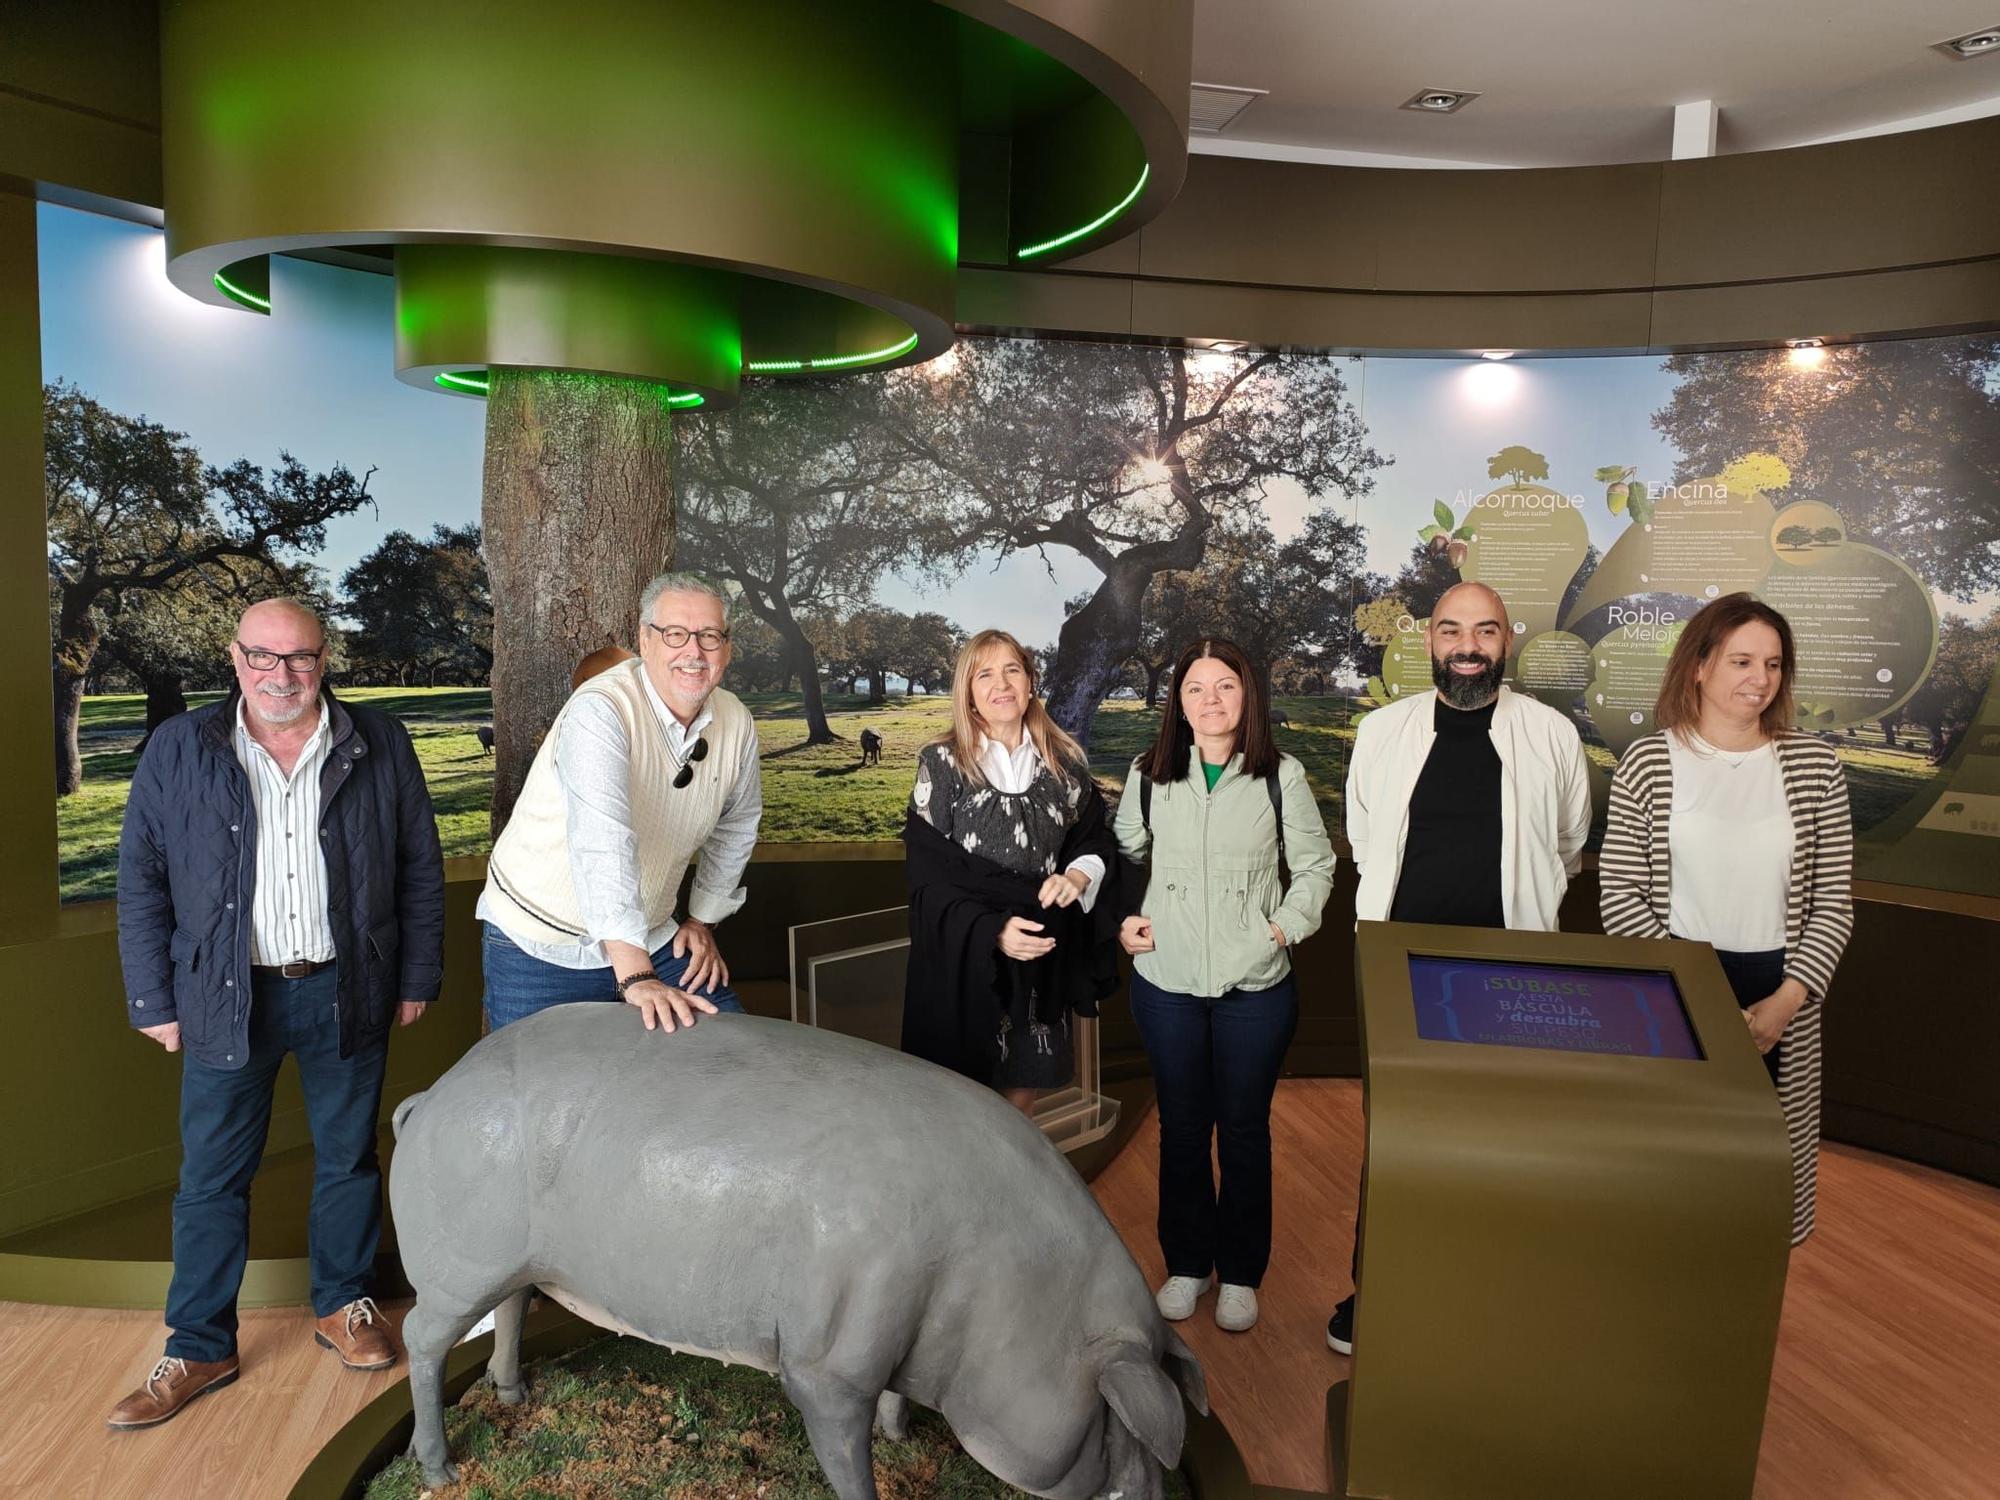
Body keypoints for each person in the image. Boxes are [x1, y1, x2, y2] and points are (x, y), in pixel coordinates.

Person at [108, 598, 444, 1429]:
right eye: (263, 657)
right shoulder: (180, 748)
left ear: (324, 660)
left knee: (347, 1158)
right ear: (234, 658)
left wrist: (417, 975)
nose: (281, 676)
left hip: (347, 984)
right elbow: (141, 878)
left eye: (298, 658)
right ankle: (198, 1342)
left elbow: (419, 868)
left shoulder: (379, 742)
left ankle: (344, 1305)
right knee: (213, 1178)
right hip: (226, 994)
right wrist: (152, 997)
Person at [1327, 580, 1592, 1354]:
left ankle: (1489, 1292)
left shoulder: (1551, 735)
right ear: (1428, 641)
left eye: (1484, 631)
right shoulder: (1383, 732)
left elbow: (1569, 843)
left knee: (1506, 1141)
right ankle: (1373, 1293)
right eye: (1451, 631)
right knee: (1399, 1141)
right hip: (1401, 973)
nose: (1467, 646)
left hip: (1512, 977)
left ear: (1507, 640)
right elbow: (1367, 841)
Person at [1601, 592, 1852, 1245]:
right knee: (1673, 1177)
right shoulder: (1649, 763)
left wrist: (1787, 1001)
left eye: (1772, 664)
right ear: (1699, 667)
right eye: (1742, 661)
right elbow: (1621, 897)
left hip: (1780, 1000)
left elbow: (1832, 903)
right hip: (1676, 989)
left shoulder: (1816, 766)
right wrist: (1699, 995)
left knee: (1762, 1190)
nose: (1759, 679)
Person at [1114, 639, 1336, 1334]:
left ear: (1248, 697)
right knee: (1181, 1130)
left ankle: (1240, 1273)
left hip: (1256, 990)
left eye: (1225, 687)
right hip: (1167, 983)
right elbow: (1121, 856)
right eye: (1195, 689)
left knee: (1242, 1132)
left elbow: (1317, 867)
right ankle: (1187, 1264)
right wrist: (1125, 920)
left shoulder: (1282, 776)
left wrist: (1278, 931)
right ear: (1177, 702)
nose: (1210, 701)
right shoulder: (1149, 774)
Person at [477, 573, 761, 1033]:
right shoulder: (600, 708)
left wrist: (702, 918)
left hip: (651, 933)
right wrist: (636, 975)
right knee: (548, 1095)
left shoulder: (735, 719)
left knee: (728, 1055)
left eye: (709, 636)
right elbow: (602, 840)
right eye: (674, 634)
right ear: (645, 641)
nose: (694, 651)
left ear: (726, 648)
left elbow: (738, 823)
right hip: (542, 943)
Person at [900, 630, 1121, 1113]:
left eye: (1012, 670)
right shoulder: (940, 763)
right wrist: (992, 931)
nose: (1001, 684)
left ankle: (1006, 1190)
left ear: (1030, 682)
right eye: (985, 674)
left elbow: (1094, 840)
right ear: (970, 692)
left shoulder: (1065, 763)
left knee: (1019, 1103)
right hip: (966, 957)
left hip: (1040, 957)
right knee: (961, 1106)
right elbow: (928, 876)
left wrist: (1078, 877)